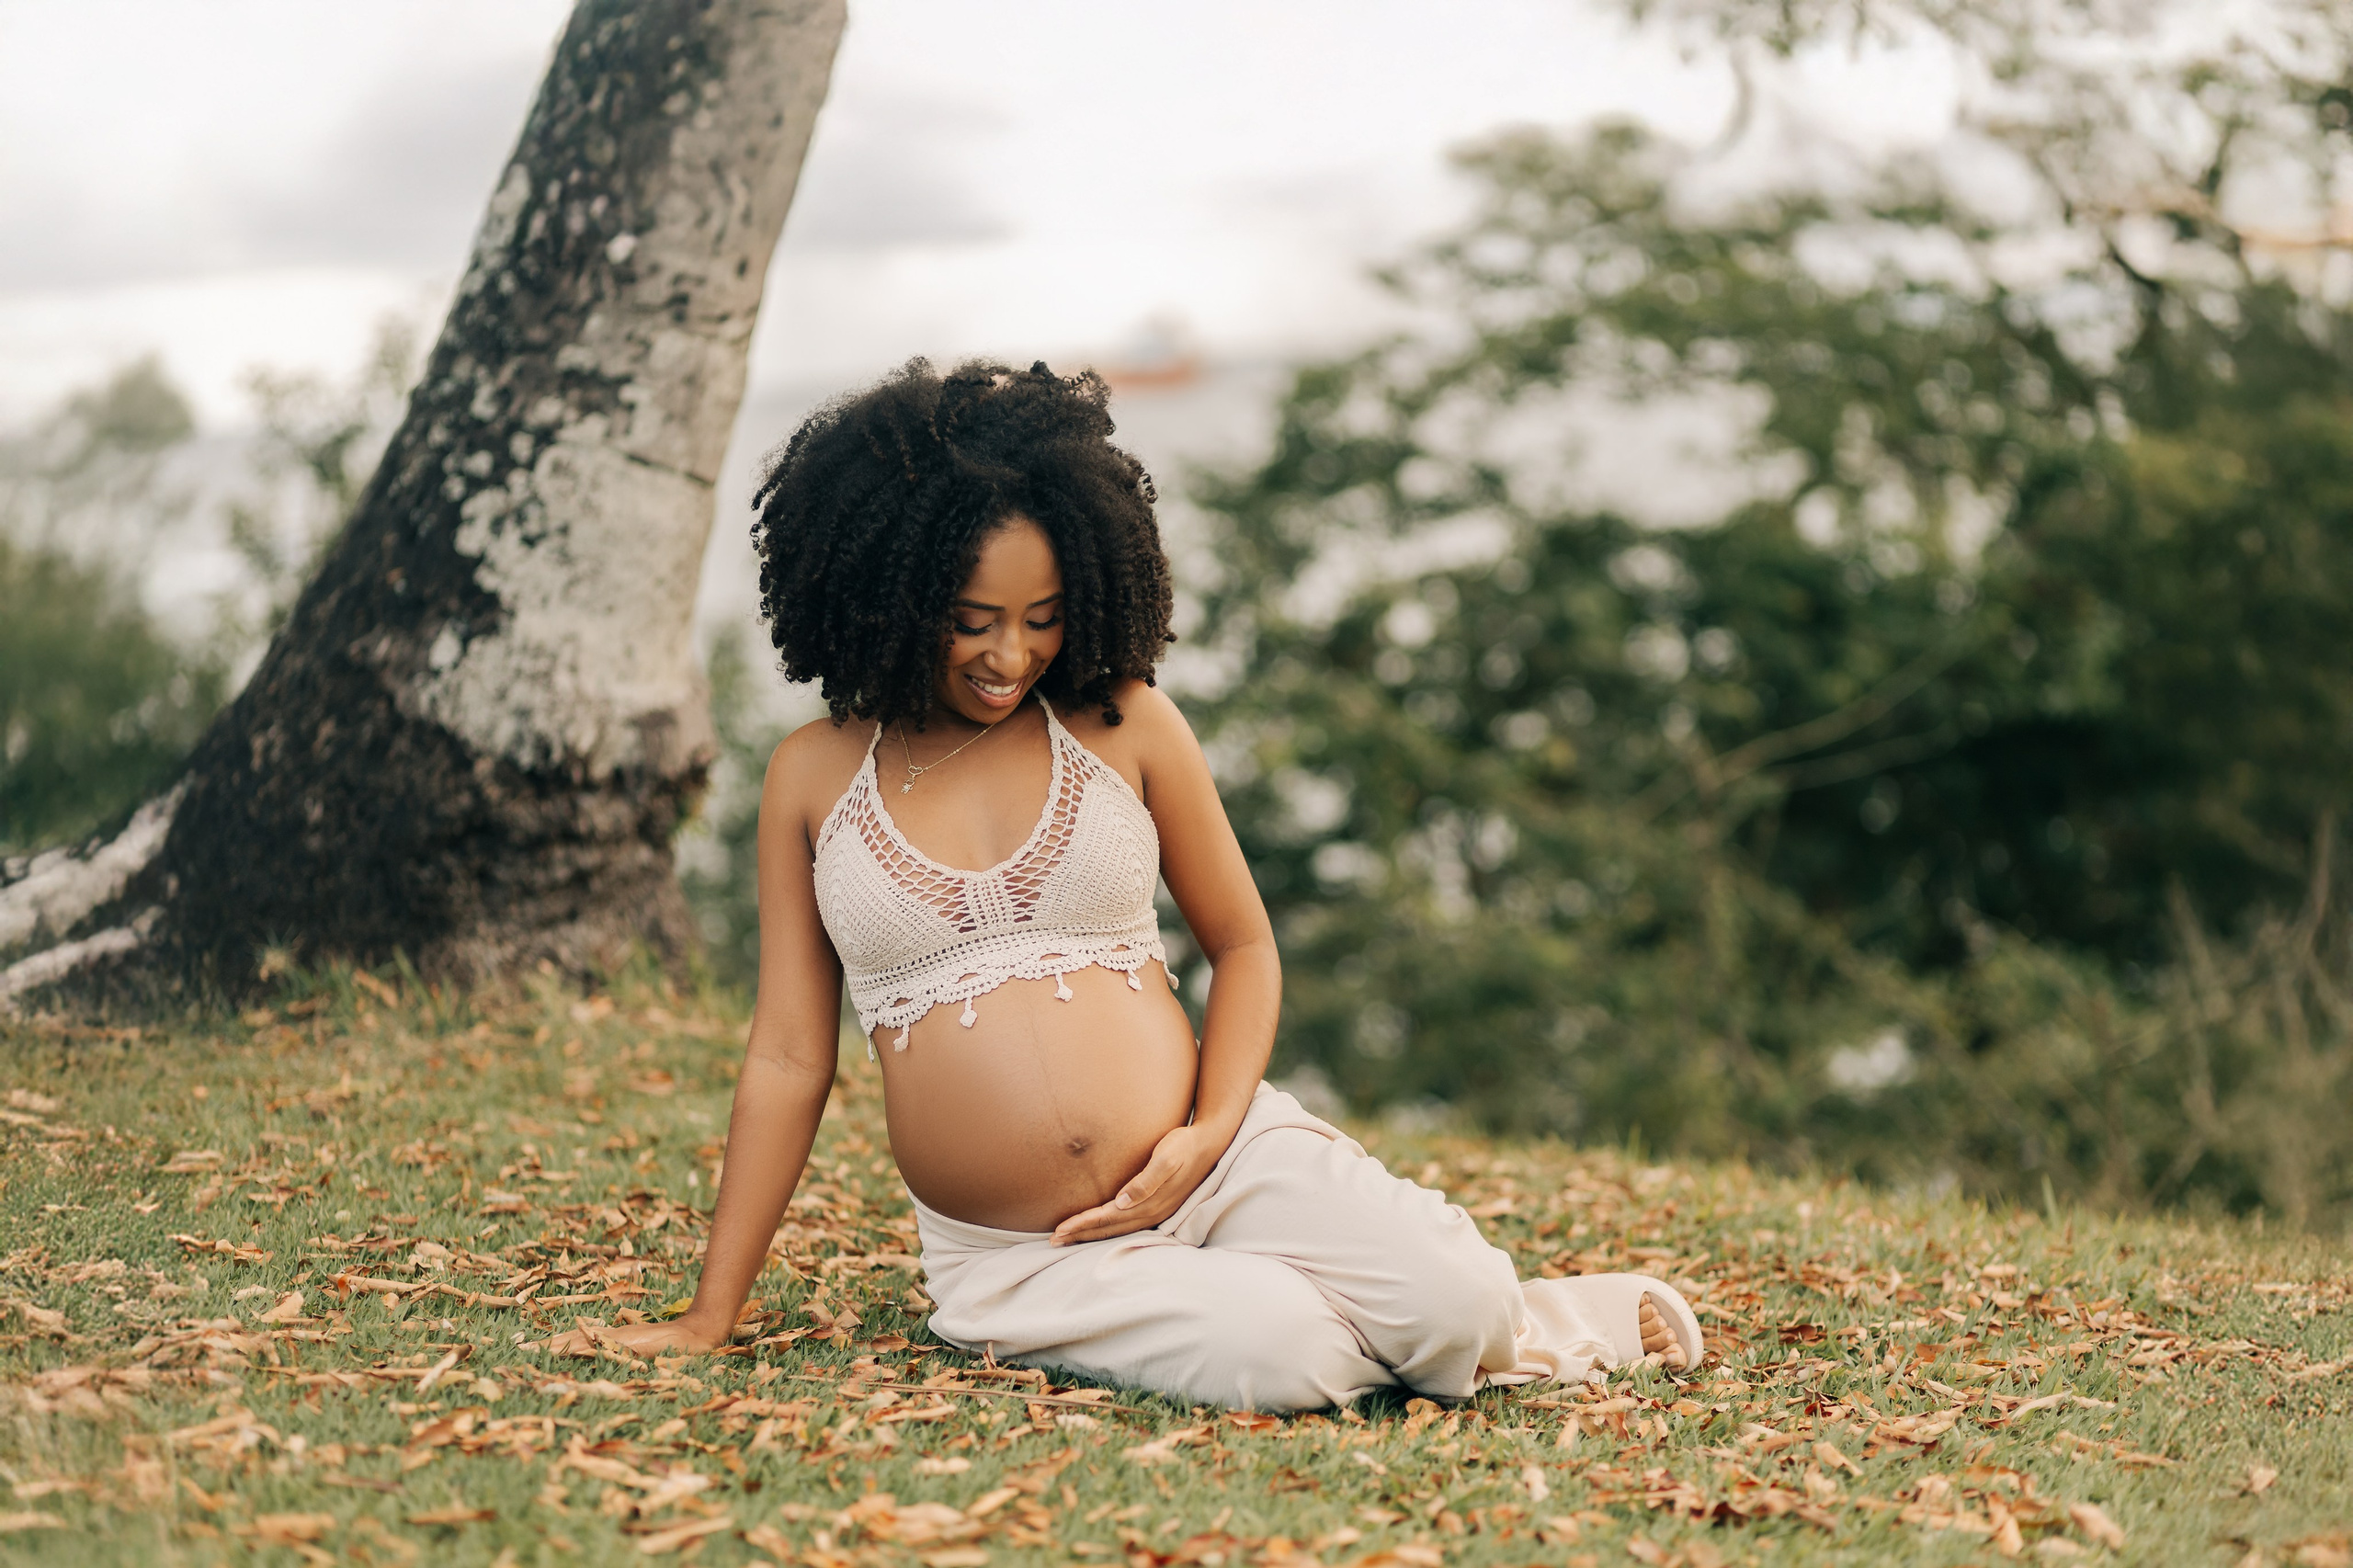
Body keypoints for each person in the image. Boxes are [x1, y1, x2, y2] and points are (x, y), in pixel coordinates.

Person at [558, 359, 1703, 1410]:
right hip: (1026, 1260)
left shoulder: (1125, 723)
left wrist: (1203, 1138)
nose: (1011, 656)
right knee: (1281, 1357)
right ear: (888, 597)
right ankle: (1352, 1317)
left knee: (1453, 1301)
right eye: (972, 623)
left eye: (1043, 620)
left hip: (1221, 1154)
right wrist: (712, 1315)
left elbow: (1245, 947)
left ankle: (1529, 1314)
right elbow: (787, 1055)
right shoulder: (812, 776)